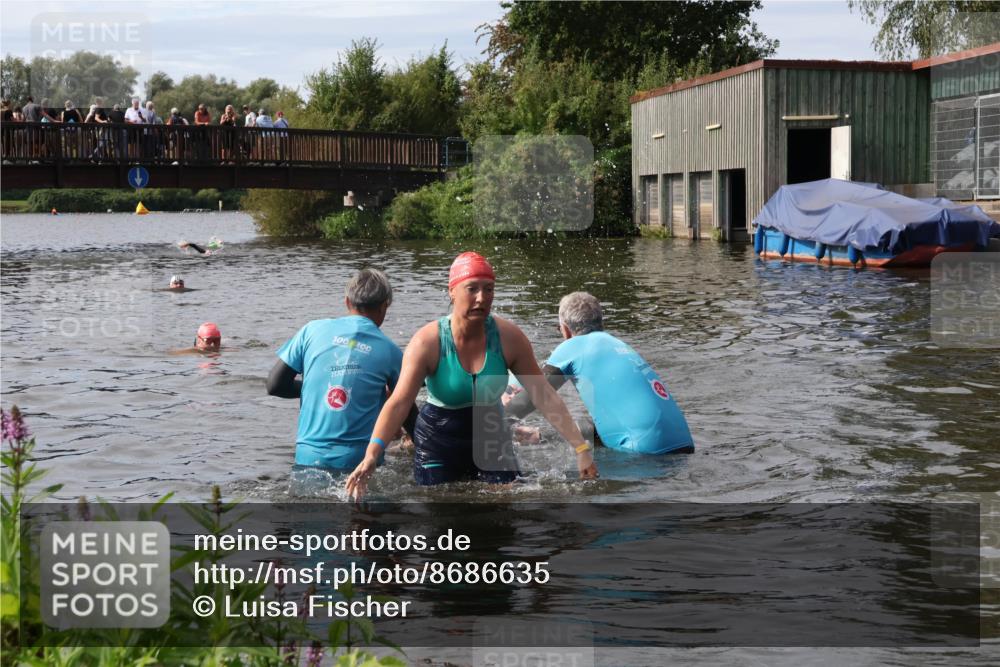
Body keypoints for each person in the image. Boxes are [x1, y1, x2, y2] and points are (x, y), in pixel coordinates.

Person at [345, 252, 599, 500]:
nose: (481, 298)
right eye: (472, 289)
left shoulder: (509, 338)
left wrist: (581, 448)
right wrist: (371, 454)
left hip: (491, 436)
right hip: (439, 439)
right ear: (452, 291)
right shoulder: (428, 341)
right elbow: (399, 402)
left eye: (488, 289)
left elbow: (544, 396)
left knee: (504, 515)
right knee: (441, 515)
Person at [505, 292, 694, 455]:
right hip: (684, 446)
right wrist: (540, 436)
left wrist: (489, 418)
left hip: (644, 454)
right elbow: (611, 426)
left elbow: (533, 397)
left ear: (566, 329)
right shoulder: (619, 345)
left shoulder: (572, 346)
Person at [266, 268, 415, 472]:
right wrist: (424, 448)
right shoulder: (390, 351)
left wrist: (316, 388)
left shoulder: (311, 331)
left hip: (308, 456)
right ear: (384, 307)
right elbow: (404, 406)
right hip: (360, 461)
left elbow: (274, 385)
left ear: (347, 302)